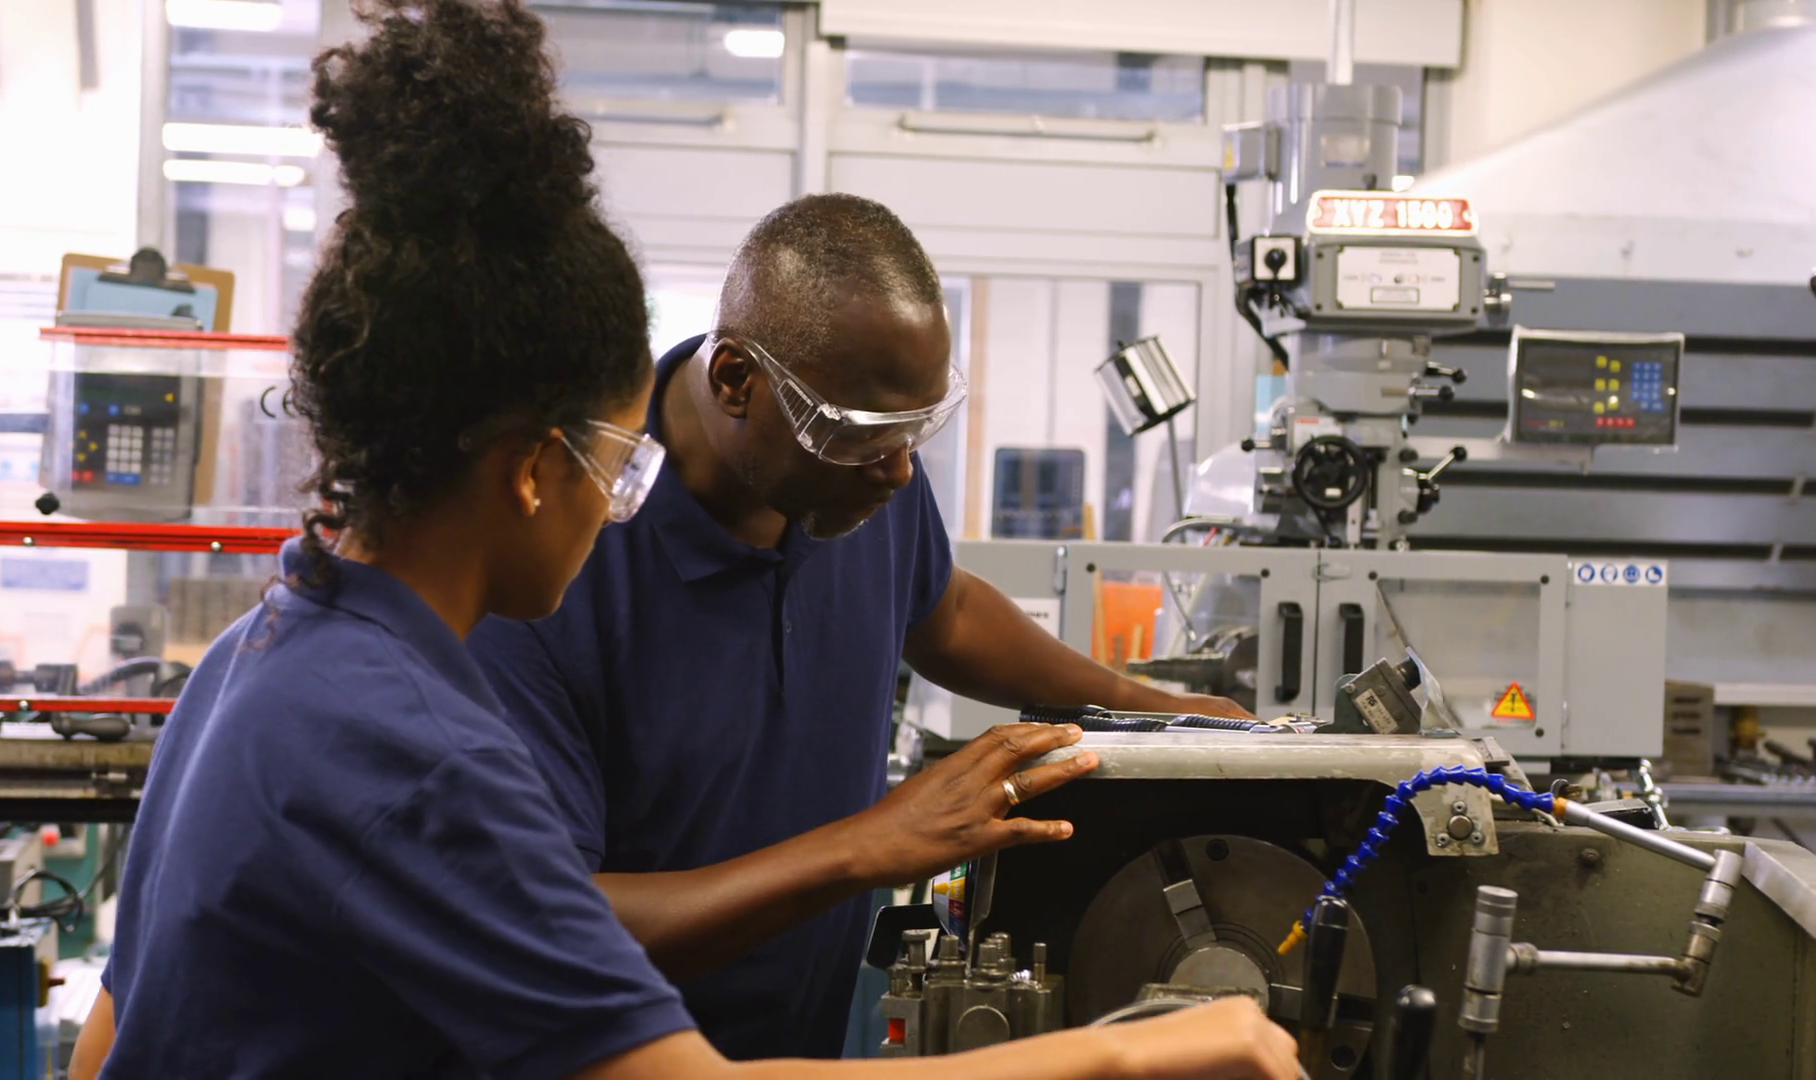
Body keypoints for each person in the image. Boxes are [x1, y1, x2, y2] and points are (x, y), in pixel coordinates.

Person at [66, 2, 1300, 1078]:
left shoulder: (250, 665)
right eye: (617, 461)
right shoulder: (423, 754)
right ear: (532, 470)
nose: (624, 497)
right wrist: (1131, 1050)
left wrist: (1148, 710)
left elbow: (109, 1043)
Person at [465, 192, 1258, 1061]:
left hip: (801, 1044)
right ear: (735, 381)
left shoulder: (858, 471)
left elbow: (944, 609)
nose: (899, 471)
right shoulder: (556, 563)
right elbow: (545, 926)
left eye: (918, 427)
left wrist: (1150, 709)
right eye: (865, 434)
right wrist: (869, 846)